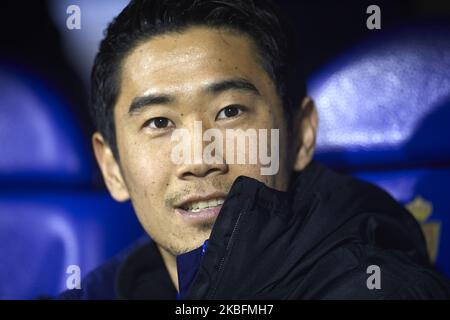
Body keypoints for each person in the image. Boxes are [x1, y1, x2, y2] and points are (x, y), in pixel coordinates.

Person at [59, 0, 450, 299]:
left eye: (230, 112)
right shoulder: (117, 284)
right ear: (111, 167)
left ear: (300, 135)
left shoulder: (370, 285)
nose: (198, 160)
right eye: (159, 123)